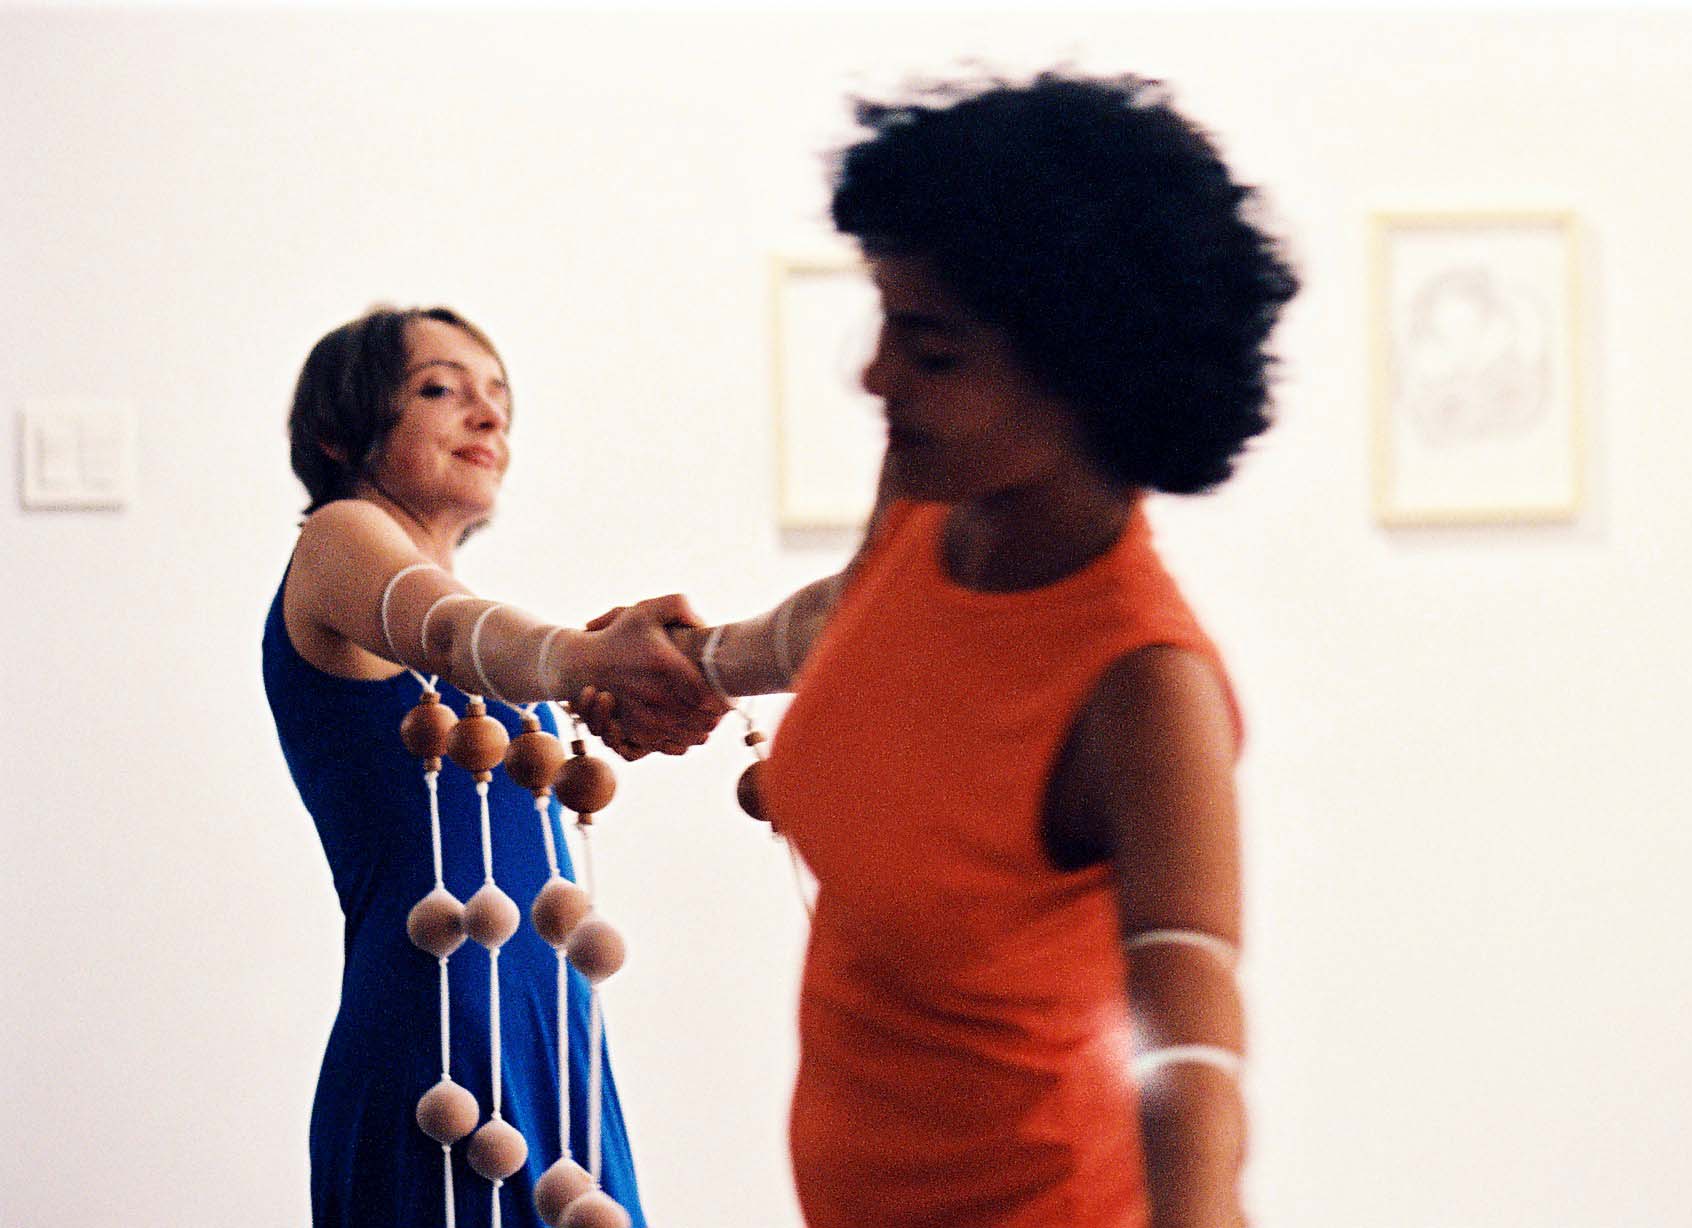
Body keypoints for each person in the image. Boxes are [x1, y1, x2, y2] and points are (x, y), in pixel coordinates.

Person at [581, 70, 1297, 1227]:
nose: (874, 375)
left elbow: (1192, 1048)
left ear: (1086, 376)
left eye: (932, 351)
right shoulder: (931, 505)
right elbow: (851, 622)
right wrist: (694, 662)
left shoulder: (1142, 685)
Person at [263, 304, 724, 1227]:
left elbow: (481, 643)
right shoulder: (338, 537)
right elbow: (445, 629)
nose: (488, 415)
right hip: (441, 1033)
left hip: (542, 1021)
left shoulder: (480, 640)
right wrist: (585, 660)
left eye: (499, 396)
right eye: (441, 389)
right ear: (338, 435)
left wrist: (613, 694)